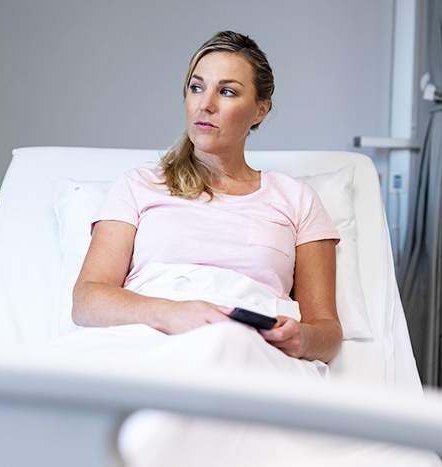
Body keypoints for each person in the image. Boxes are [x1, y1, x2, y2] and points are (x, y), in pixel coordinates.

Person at [72, 31, 342, 363]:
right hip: (146, 340)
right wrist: (173, 314)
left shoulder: (297, 199)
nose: (205, 104)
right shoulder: (137, 187)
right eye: (196, 88)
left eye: (226, 92)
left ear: (260, 110)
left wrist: (302, 338)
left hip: (250, 352)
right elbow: (87, 299)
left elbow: (327, 333)